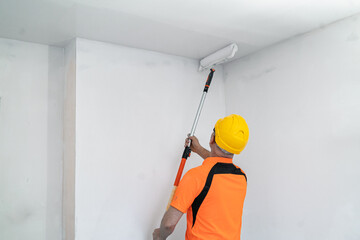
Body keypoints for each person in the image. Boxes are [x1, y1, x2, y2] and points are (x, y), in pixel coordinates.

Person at [153, 114, 249, 240]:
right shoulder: (241, 177)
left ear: (212, 138)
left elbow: (168, 225)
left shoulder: (196, 177)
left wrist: (159, 235)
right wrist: (198, 149)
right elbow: (219, 165)